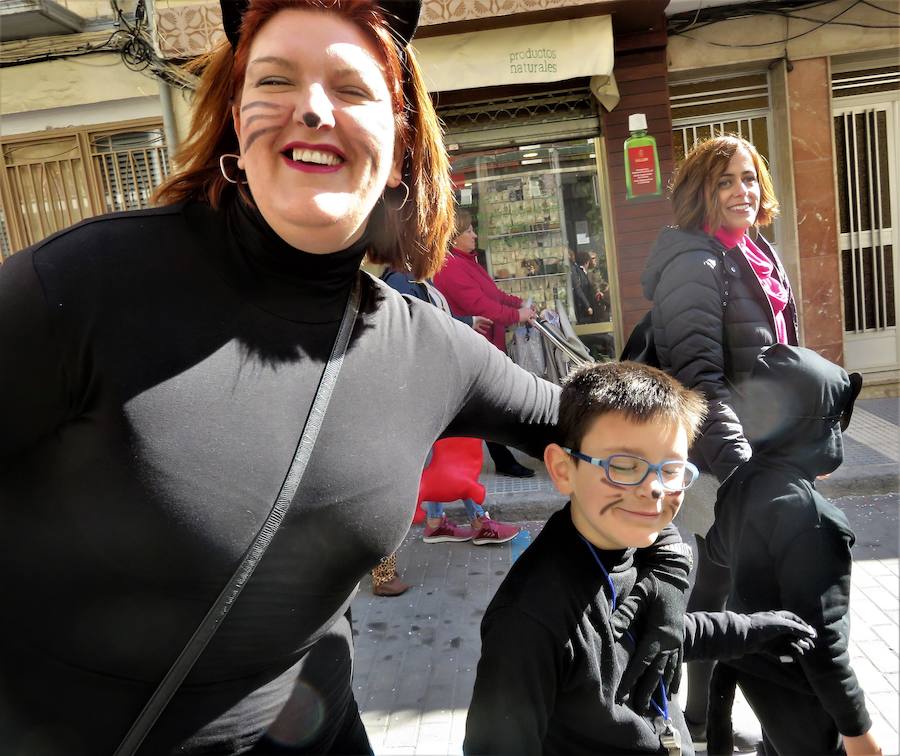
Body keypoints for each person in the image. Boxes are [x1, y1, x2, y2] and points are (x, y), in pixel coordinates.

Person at [0, 2, 691, 753]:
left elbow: (605, 430)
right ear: (236, 120)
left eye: (352, 88)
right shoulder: (81, 287)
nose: (314, 109)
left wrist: (668, 558)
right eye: (276, 80)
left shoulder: (430, 348)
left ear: (400, 146)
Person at [464, 361, 817, 755]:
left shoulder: (629, 546)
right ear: (563, 470)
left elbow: (655, 636)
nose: (654, 488)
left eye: (671, 469)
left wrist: (752, 631)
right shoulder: (530, 620)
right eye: (624, 466)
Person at [639, 135, 799, 747]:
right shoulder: (696, 262)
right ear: (700, 193)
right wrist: (741, 468)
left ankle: (704, 720)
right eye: (726, 181)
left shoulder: (753, 251)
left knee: (722, 585)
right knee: (725, 587)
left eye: (750, 178)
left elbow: (779, 357)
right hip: (721, 458)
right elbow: (697, 380)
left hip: (763, 450)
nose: (743, 191)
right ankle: (704, 722)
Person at [705, 345, 881, 756]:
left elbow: (716, 549)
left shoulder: (744, 479)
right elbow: (822, 642)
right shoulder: (814, 519)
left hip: (752, 665)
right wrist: (858, 732)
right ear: (816, 430)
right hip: (797, 680)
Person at [379, 270, 518, 546]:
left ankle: (438, 522)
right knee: (453, 449)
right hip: (426, 382)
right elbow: (418, 330)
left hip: (430, 381)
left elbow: (430, 323)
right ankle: (477, 521)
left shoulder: (414, 279)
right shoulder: (401, 280)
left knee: (445, 453)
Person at [433, 209, 538, 479]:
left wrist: (519, 304)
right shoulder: (451, 267)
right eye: (469, 231)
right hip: (473, 349)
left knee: (489, 406)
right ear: (454, 236)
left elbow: (493, 295)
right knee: (489, 406)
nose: (474, 235)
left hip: (485, 346)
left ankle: (503, 458)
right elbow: (480, 305)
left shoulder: (466, 262)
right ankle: (502, 460)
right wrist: (517, 315)